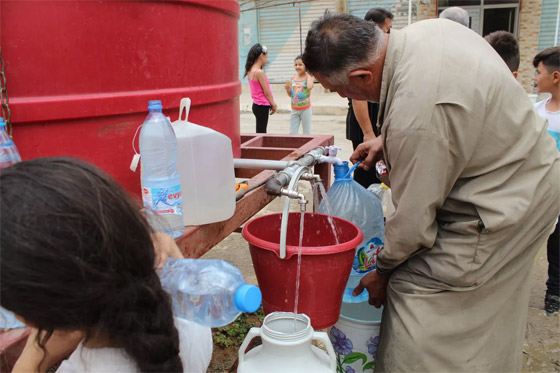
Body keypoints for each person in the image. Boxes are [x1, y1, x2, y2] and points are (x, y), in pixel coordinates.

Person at [302, 12, 560, 371]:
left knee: (417, 296)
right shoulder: (432, 30)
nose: (343, 95)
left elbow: (412, 226)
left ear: (363, 75)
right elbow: (448, 117)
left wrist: (383, 272)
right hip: (527, 171)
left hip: (504, 199)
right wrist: (385, 139)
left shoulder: (417, 115)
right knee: (485, 310)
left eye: (338, 89)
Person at [1, 157, 213, 372]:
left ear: (31, 317)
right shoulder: (194, 320)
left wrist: (36, 355)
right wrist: (175, 257)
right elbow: (187, 288)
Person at [346, 8, 393, 188]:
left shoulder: (375, 51)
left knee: (377, 172)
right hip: (364, 123)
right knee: (366, 170)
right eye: (387, 29)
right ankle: (364, 210)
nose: (389, 34)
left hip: (375, 122)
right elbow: (358, 98)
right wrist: (368, 133)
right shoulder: (362, 53)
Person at [533, 46, 560, 316]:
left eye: (539, 73)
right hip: (538, 190)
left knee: (558, 243)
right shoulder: (536, 111)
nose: (536, 78)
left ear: (556, 76)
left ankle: (554, 292)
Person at [244, 43, 278, 133]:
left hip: (256, 105)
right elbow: (266, 92)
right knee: (262, 132)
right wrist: (273, 104)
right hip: (262, 105)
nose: (267, 60)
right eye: (266, 57)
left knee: (259, 130)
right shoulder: (259, 72)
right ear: (261, 56)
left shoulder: (250, 70)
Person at [284, 55, 314, 134]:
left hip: (305, 109)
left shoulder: (308, 77)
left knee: (306, 132)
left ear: (305, 66)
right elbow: (291, 95)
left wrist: (309, 75)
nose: (298, 67)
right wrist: (288, 89)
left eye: (300, 64)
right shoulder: (292, 78)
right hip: (294, 109)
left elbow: (310, 86)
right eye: (296, 65)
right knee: (292, 132)